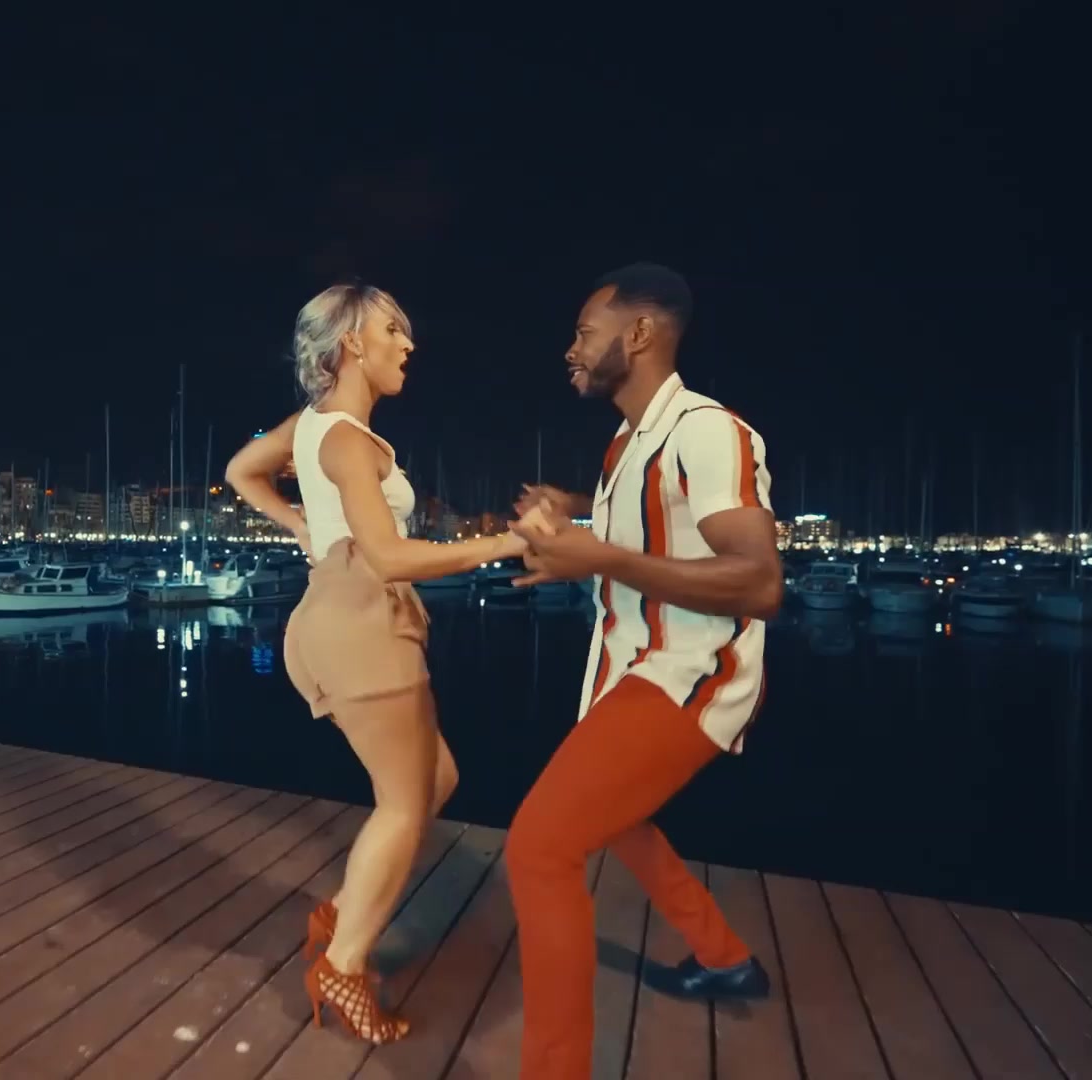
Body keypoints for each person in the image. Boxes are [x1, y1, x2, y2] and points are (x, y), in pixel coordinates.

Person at [224, 282, 528, 1044]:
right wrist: (505, 544)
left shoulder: (313, 426)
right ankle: (342, 966)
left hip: (344, 614)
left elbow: (241, 470)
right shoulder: (347, 441)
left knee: (435, 780)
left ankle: (343, 915)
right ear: (353, 342)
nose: (408, 344)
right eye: (394, 330)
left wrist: (301, 526)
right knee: (404, 802)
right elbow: (389, 555)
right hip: (361, 621)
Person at [505, 263, 784, 1079]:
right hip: (629, 671)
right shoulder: (627, 445)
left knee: (538, 848)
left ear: (639, 334)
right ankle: (724, 957)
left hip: (693, 673)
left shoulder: (708, 430)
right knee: (615, 819)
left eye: (584, 333)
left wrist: (600, 556)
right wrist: (575, 527)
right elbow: (641, 540)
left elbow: (760, 582)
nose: (571, 349)